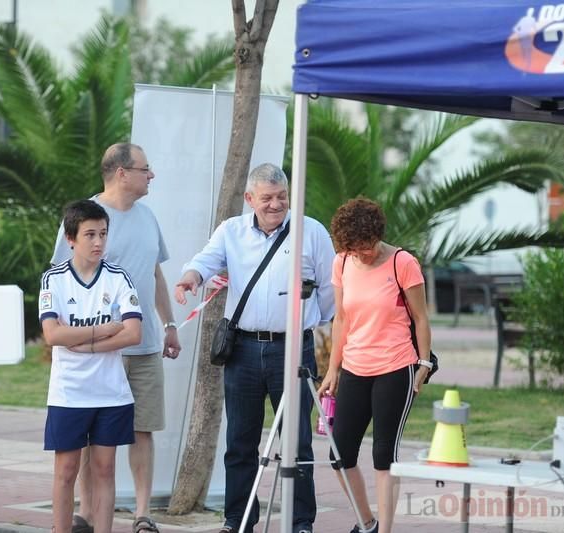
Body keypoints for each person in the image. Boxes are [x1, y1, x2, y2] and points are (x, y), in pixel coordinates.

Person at [175, 163, 335, 533]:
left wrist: (311, 322)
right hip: (243, 351)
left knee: (297, 441)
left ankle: (300, 522)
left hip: (294, 349)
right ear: (250, 199)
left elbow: (329, 291)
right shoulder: (231, 231)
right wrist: (189, 278)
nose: (276, 205)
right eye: (267, 198)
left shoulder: (311, 232)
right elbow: (205, 261)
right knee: (240, 441)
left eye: (282, 197)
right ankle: (239, 519)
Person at [50, 143, 180, 533]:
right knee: (92, 438)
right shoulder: (86, 218)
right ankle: (87, 514)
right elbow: (62, 276)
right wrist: (88, 338)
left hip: (144, 343)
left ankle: (143, 515)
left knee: (143, 428)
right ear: (122, 172)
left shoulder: (147, 217)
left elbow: (154, 274)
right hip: (99, 356)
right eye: (145, 169)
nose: (151, 175)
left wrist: (169, 324)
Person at [318, 198, 432, 533]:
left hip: (396, 367)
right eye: (354, 249)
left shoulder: (402, 263)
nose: (362, 254)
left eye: (366, 247)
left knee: (384, 454)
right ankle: (366, 523)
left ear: (377, 234)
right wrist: (333, 369)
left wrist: (423, 363)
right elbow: (341, 319)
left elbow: (421, 318)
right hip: (354, 366)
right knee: (340, 453)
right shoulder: (341, 263)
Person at [41, 199, 143, 533]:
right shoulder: (53, 280)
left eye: (102, 234)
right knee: (65, 471)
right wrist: (104, 328)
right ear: (71, 238)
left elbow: (133, 333)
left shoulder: (118, 277)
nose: (98, 242)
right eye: (90, 235)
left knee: (104, 470)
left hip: (111, 393)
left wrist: (89, 344)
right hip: (69, 393)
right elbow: (53, 333)